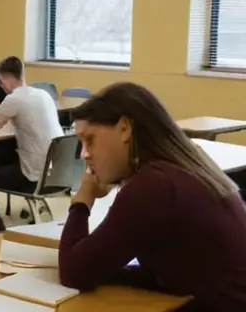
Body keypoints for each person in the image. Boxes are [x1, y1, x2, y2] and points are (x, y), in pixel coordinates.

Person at [59, 82, 246, 310]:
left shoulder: (154, 186)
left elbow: (73, 273)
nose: (84, 154)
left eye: (90, 140)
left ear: (125, 128)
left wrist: (83, 198)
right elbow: (168, 272)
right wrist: (104, 268)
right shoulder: (186, 165)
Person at [0, 56, 63, 234]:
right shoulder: (43, 95)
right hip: (54, 173)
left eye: (0, 81)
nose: (0, 85)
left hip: (30, 176)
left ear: (7, 78)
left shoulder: (14, 99)